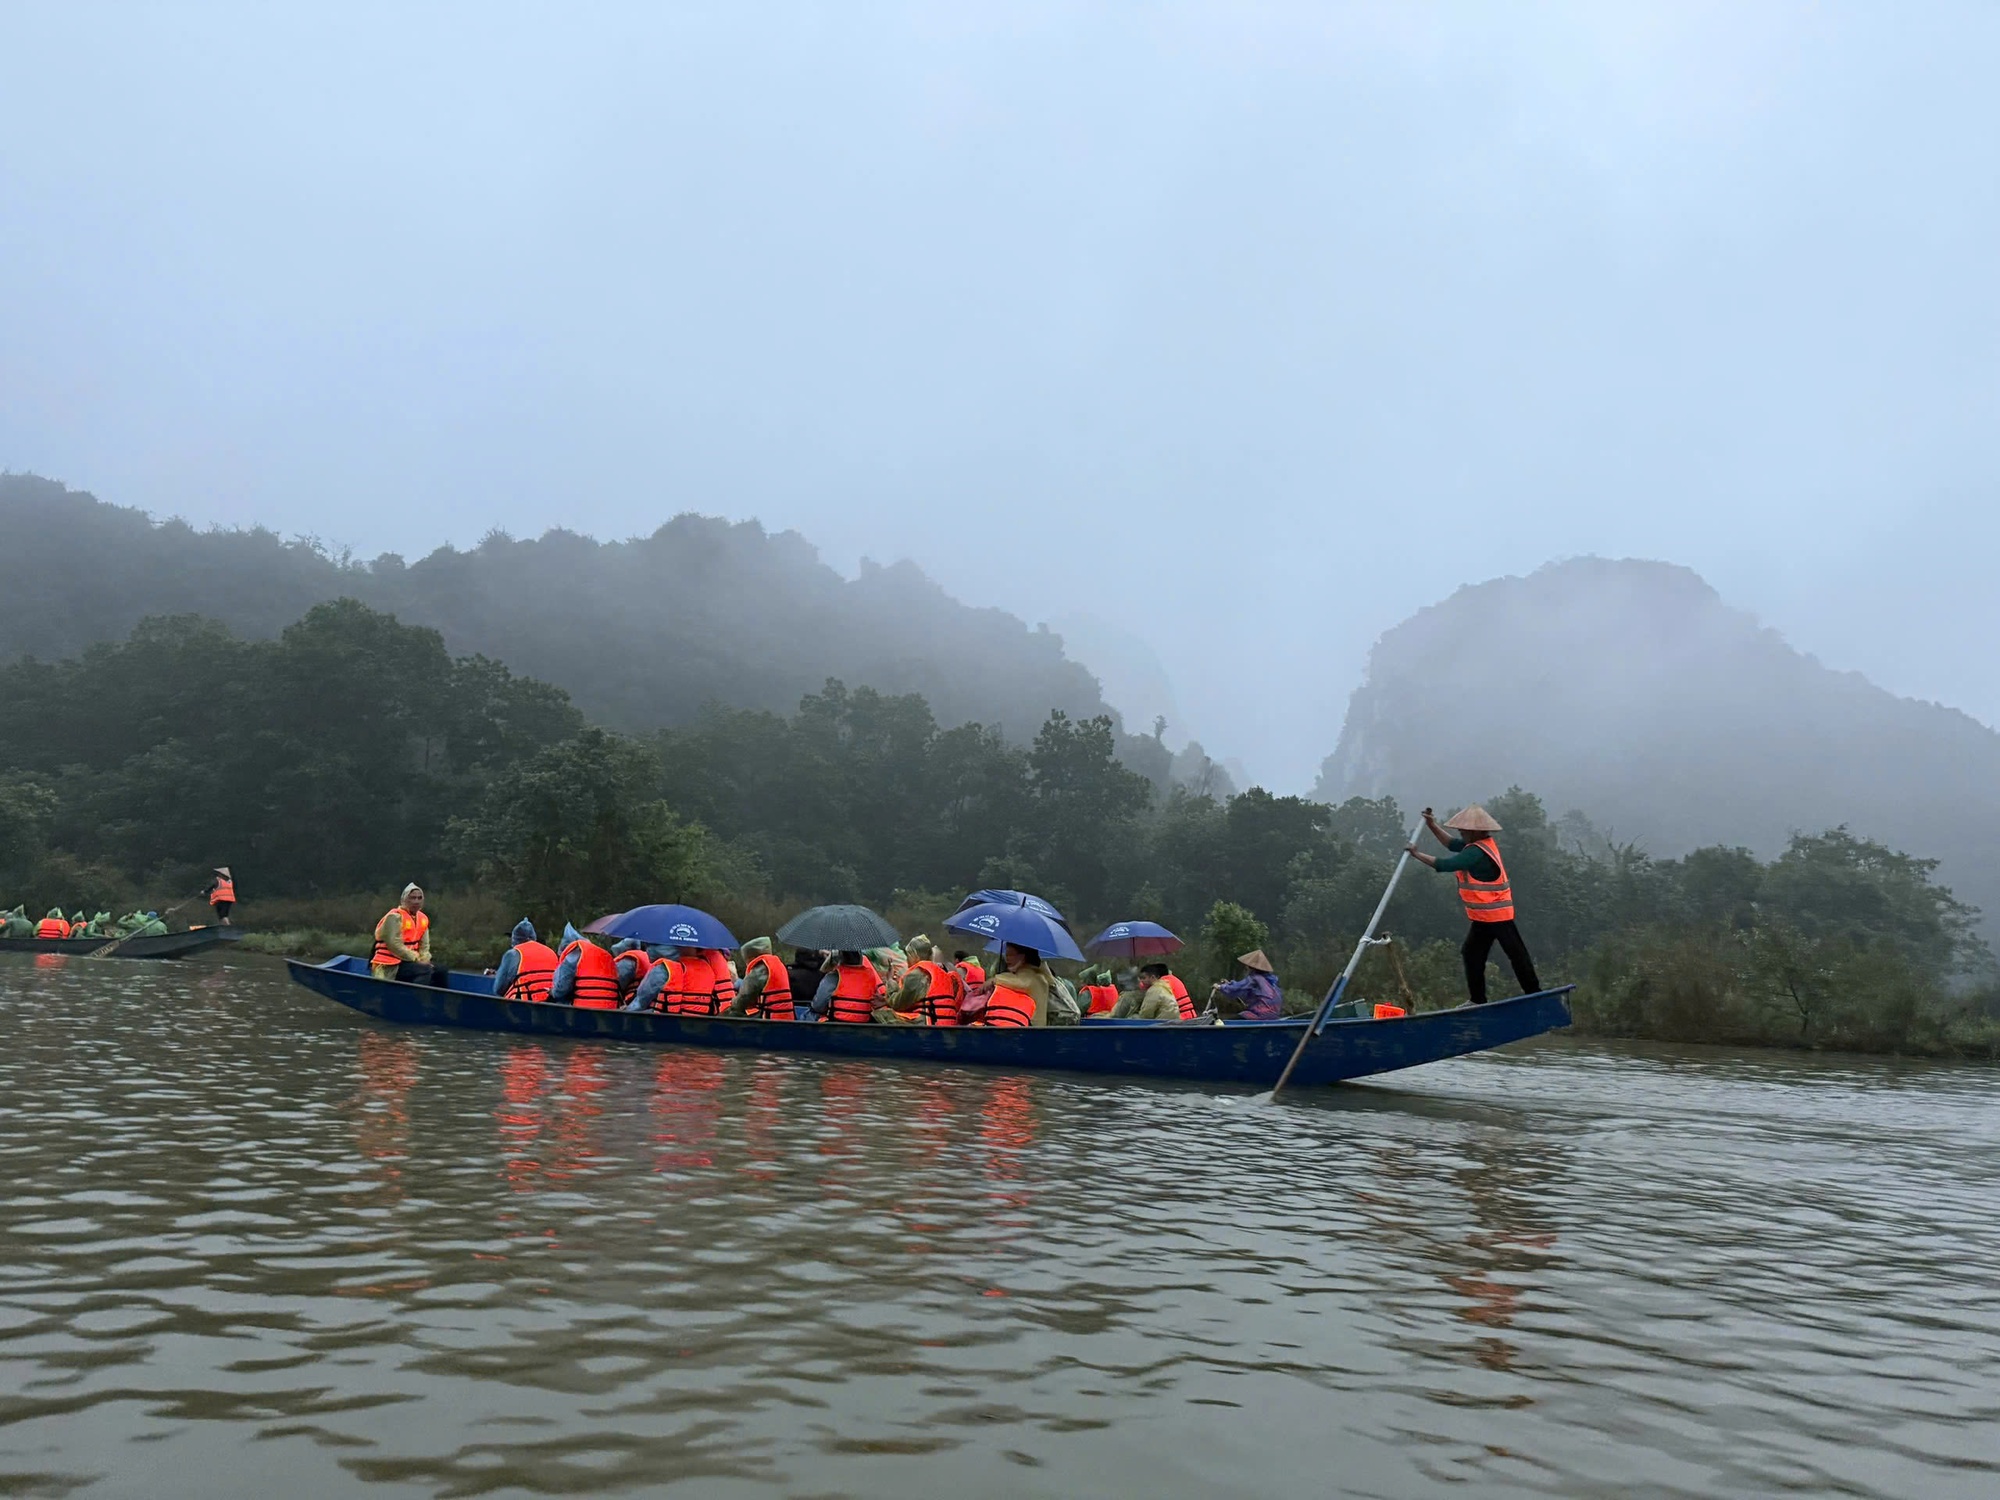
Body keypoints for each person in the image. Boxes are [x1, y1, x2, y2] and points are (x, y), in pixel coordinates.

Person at [1407, 803, 1543, 1006]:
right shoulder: (1478, 845)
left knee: (1516, 954)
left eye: (1464, 830)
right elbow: (1451, 844)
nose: (1461, 833)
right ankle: (1478, 1000)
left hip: (1497, 915)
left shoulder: (1476, 853)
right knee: (1472, 953)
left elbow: (1447, 864)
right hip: (1484, 917)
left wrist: (1416, 854)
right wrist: (1432, 825)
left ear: (1474, 832)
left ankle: (1535, 994)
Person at [891, 935, 963, 1026]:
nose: (907, 960)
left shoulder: (917, 975)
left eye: (908, 956)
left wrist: (891, 982)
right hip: (947, 1024)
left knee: (882, 1013)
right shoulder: (942, 973)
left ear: (915, 956)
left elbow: (898, 1004)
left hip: (929, 1025)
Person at [975, 941, 1050, 1028]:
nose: (1007, 959)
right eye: (1006, 955)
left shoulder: (1032, 977)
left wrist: (994, 980)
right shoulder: (1035, 975)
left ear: (1023, 957)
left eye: (1010, 955)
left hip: (1030, 1029)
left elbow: (1021, 983)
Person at [370, 884, 432, 980]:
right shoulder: (394, 916)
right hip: (390, 963)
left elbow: (424, 945)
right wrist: (416, 958)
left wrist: (424, 958)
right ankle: (414, 991)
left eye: (419, 898)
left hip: (409, 961)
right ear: (404, 899)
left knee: (440, 970)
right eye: (413, 898)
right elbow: (394, 944)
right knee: (425, 970)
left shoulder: (422, 918)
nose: (416, 901)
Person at [551, 928, 622, 1009]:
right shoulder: (605, 955)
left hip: (584, 1011)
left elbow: (561, 989)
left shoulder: (574, 953)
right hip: (611, 1011)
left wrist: (552, 992)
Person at [727, 936, 795, 1020]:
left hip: (770, 1019)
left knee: (728, 1017)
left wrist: (731, 1004)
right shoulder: (776, 964)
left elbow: (744, 997)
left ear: (751, 957)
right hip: (785, 1017)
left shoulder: (760, 968)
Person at [493, 919, 558, 1002]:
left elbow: (499, 989)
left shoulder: (513, 954)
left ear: (515, 939)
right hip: (551, 1003)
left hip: (524, 1004)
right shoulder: (551, 952)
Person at [1212, 950, 1284, 1020]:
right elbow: (1241, 986)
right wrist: (1230, 984)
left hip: (1261, 1013)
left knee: (1232, 1020)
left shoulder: (1254, 978)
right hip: (1274, 1015)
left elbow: (1236, 989)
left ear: (1250, 967)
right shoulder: (1269, 980)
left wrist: (1220, 987)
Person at [823, 950, 887, 1023]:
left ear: (841, 959)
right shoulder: (870, 975)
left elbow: (818, 1006)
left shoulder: (835, 975)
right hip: (863, 1022)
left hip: (837, 1022)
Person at [1114, 962, 1187, 1020]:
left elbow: (1146, 1014)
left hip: (1163, 1024)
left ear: (1152, 977)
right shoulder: (1164, 986)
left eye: (1143, 978)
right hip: (1174, 1021)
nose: (1141, 981)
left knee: (1132, 1018)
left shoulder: (1154, 991)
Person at [613, 939, 654, 1006]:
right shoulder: (647, 956)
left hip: (631, 1001)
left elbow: (617, 982)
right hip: (648, 1002)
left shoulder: (628, 959)